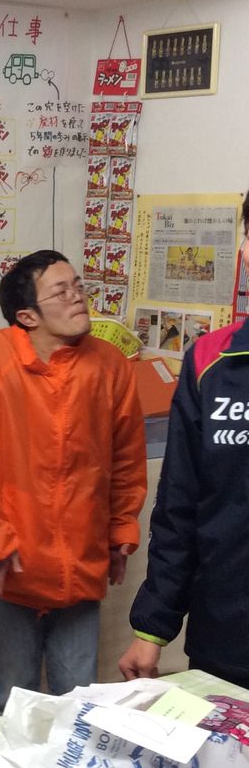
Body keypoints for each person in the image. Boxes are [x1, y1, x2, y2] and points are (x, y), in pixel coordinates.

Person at [0, 250, 147, 713]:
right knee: (15, 701)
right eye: (61, 291)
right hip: (13, 566)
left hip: (80, 566)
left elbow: (126, 460)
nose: (77, 297)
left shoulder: (110, 365)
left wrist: (120, 530)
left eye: (78, 286)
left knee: (78, 702)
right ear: (27, 316)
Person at [119, 191, 249, 688]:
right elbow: (179, 504)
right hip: (225, 637)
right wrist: (152, 627)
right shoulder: (210, 361)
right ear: (244, 251)